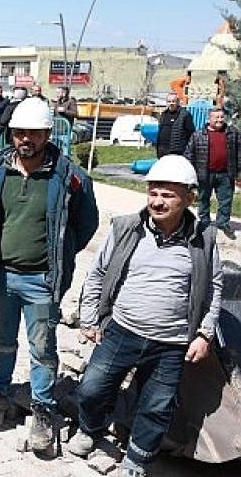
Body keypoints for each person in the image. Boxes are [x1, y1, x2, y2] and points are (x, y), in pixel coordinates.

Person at [70, 155, 222, 477]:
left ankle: (137, 460)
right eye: (153, 192)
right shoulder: (127, 227)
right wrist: (90, 318)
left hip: (172, 343)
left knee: (157, 406)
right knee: (92, 388)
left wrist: (204, 334)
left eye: (168, 195)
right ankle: (89, 429)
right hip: (122, 331)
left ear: (189, 198)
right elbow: (97, 273)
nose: (157, 201)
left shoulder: (204, 238)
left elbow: (213, 289)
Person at [0, 98, 98, 453]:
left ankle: (43, 408)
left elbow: (86, 224)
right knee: (2, 338)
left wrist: (60, 253)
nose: (26, 139)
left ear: (47, 134)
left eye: (34, 133)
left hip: (42, 280)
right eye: (19, 133)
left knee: (43, 348)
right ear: (11, 134)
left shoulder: (70, 176)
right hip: (2, 276)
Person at [185, 108, 239, 238]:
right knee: (203, 199)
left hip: (226, 173)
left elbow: (239, 153)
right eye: (216, 117)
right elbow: (189, 154)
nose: (220, 120)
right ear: (209, 119)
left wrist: (238, 171)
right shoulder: (198, 135)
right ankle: (204, 222)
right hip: (205, 174)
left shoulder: (233, 133)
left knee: (226, 200)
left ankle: (223, 223)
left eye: (222, 117)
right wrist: (191, 173)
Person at [156, 93, 194, 157]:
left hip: (177, 152)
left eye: (173, 101)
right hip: (162, 150)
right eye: (169, 101)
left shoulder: (185, 115)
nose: (171, 103)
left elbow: (191, 133)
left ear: (178, 102)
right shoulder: (163, 114)